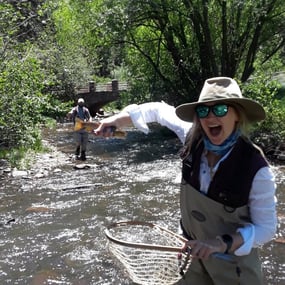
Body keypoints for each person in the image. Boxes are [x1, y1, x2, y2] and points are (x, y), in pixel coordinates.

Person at [95, 77, 277, 284]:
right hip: (191, 256)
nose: (210, 117)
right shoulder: (191, 137)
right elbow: (157, 110)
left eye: (220, 110)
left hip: (234, 265)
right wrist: (115, 120)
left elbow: (267, 229)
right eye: (203, 111)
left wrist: (221, 243)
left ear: (237, 114)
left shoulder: (256, 168)